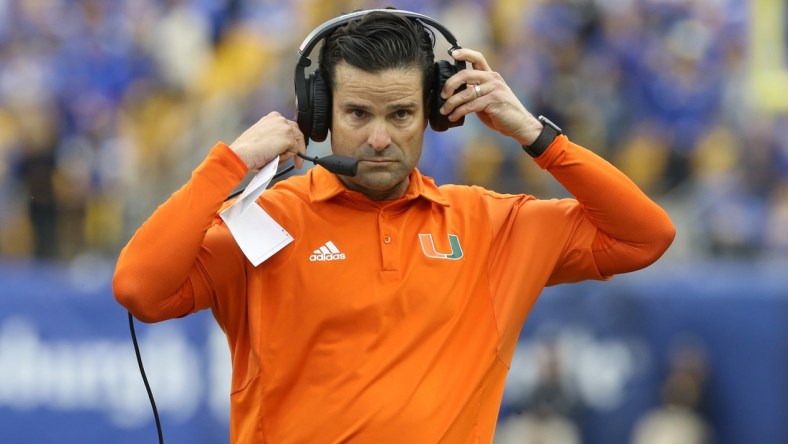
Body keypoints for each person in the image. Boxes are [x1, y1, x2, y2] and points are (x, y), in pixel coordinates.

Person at [113, 8, 675, 443]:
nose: (379, 138)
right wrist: (228, 165)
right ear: (319, 113)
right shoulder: (267, 223)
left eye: (401, 114)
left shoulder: (492, 224)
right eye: (358, 114)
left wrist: (535, 134)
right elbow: (139, 287)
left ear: (433, 112)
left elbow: (646, 235)